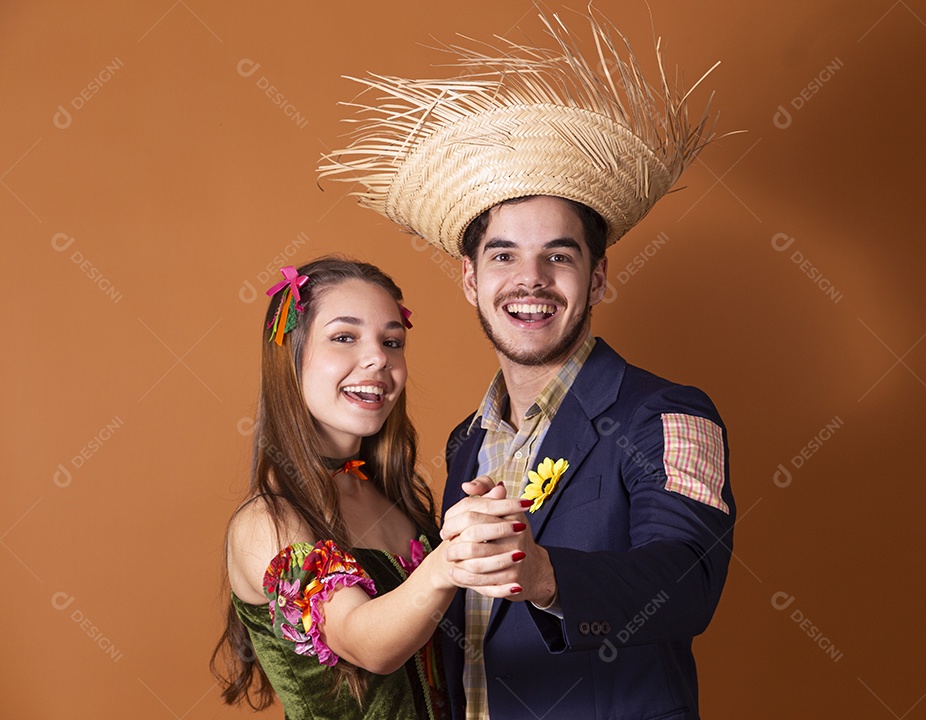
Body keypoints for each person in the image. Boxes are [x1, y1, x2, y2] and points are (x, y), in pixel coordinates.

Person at [318, 9, 736, 719]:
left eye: (559, 256)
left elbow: (686, 579)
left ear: (597, 278)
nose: (531, 279)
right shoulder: (465, 444)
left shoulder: (669, 413)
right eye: (504, 255)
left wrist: (544, 575)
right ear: (470, 280)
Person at [211, 257, 528, 719]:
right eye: (344, 337)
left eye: (392, 341)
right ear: (290, 354)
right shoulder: (267, 522)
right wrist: (449, 559)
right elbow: (366, 644)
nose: (379, 357)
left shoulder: (394, 498)